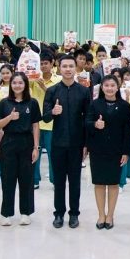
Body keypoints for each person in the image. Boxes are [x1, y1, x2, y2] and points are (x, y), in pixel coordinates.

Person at [42, 54, 91, 228]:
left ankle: (74, 214)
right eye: (65, 66)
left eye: (71, 66)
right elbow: (45, 117)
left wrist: (86, 144)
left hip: (77, 144)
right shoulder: (52, 91)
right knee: (59, 181)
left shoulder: (84, 91)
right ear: (59, 68)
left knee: (75, 181)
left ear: (75, 68)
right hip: (58, 143)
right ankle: (59, 213)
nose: (68, 69)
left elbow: (88, 119)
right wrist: (52, 112)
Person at [0, 71, 41, 226]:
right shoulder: (4, 103)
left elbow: (36, 125)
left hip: (26, 142)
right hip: (8, 141)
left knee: (26, 178)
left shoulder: (32, 103)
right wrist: (9, 118)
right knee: (7, 178)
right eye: (14, 83)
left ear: (25, 84)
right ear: (10, 85)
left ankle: (25, 213)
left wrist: (36, 147)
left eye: (20, 82)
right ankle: (6, 213)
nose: (17, 85)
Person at [86, 75, 130, 229]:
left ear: (117, 87)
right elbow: (86, 123)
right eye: (106, 85)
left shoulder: (124, 106)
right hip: (97, 150)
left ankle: (110, 215)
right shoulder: (94, 104)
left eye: (113, 85)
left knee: (113, 183)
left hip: (116, 150)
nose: (110, 88)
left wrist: (126, 152)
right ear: (102, 87)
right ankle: (101, 215)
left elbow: (127, 130)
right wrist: (95, 124)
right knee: (99, 183)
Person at [31, 51, 61, 190]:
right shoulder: (34, 79)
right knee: (34, 151)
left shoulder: (58, 80)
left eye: (46, 63)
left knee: (52, 154)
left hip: (51, 123)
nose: (43, 66)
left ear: (52, 63)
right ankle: (34, 180)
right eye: (41, 64)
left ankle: (55, 180)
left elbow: (59, 98)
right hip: (36, 122)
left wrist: (44, 87)